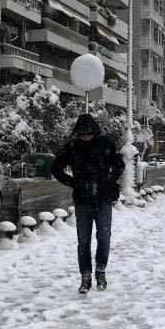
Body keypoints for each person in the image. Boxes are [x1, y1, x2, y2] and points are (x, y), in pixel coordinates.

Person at [51, 114, 124, 294]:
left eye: (88, 134)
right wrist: (73, 183)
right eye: (81, 134)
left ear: (94, 132)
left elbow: (119, 165)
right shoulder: (72, 147)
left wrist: (109, 180)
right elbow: (55, 168)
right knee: (83, 240)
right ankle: (85, 275)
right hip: (82, 200)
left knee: (104, 237)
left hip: (103, 198)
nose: (84, 137)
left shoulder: (106, 143)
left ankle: (100, 270)